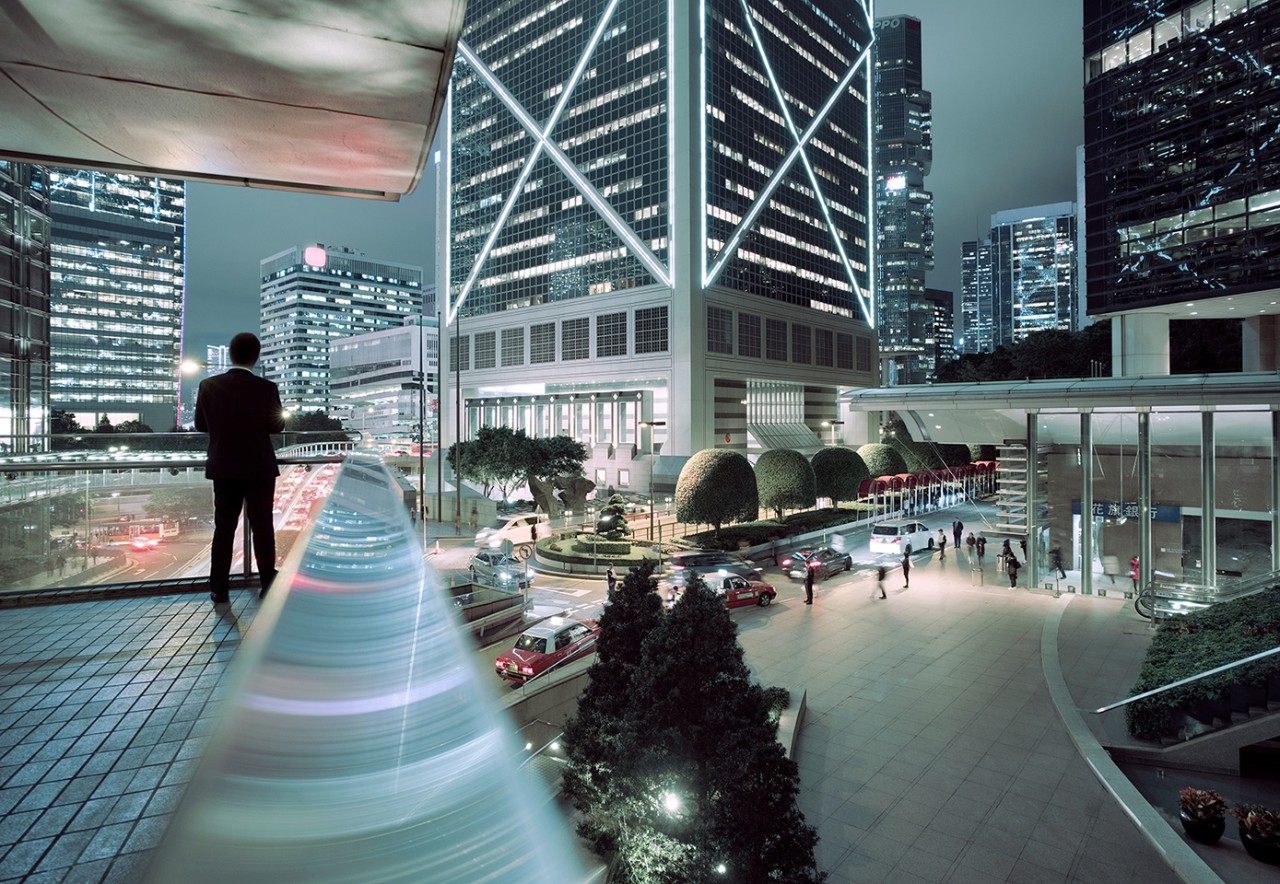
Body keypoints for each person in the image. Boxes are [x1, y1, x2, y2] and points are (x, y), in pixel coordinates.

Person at [195, 332, 285, 604]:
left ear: (231, 355)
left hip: (224, 466)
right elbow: (276, 426)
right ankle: (268, 582)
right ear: (255, 357)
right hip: (258, 466)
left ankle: (219, 588)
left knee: (224, 527)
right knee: (262, 526)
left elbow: (201, 425)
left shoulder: (208, 385)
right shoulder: (266, 388)